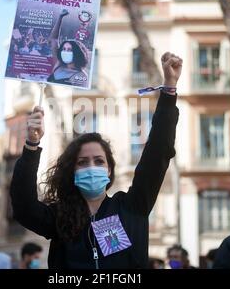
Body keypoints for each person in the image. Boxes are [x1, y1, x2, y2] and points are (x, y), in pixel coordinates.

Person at [10, 52, 182, 268]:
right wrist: (31, 146)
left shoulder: (131, 207)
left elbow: (157, 153)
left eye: (99, 161)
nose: (91, 167)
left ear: (109, 170)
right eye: (82, 162)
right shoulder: (60, 217)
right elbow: (23, 207)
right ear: (72, 171)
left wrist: (169, 89)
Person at [46, 9, 89, 87]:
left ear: (77, 53)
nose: (65, 52)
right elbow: (53, 39)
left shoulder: (81, 76)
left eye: (69, 50)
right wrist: (60, 17)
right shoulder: (59, 65)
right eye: (64, 49)